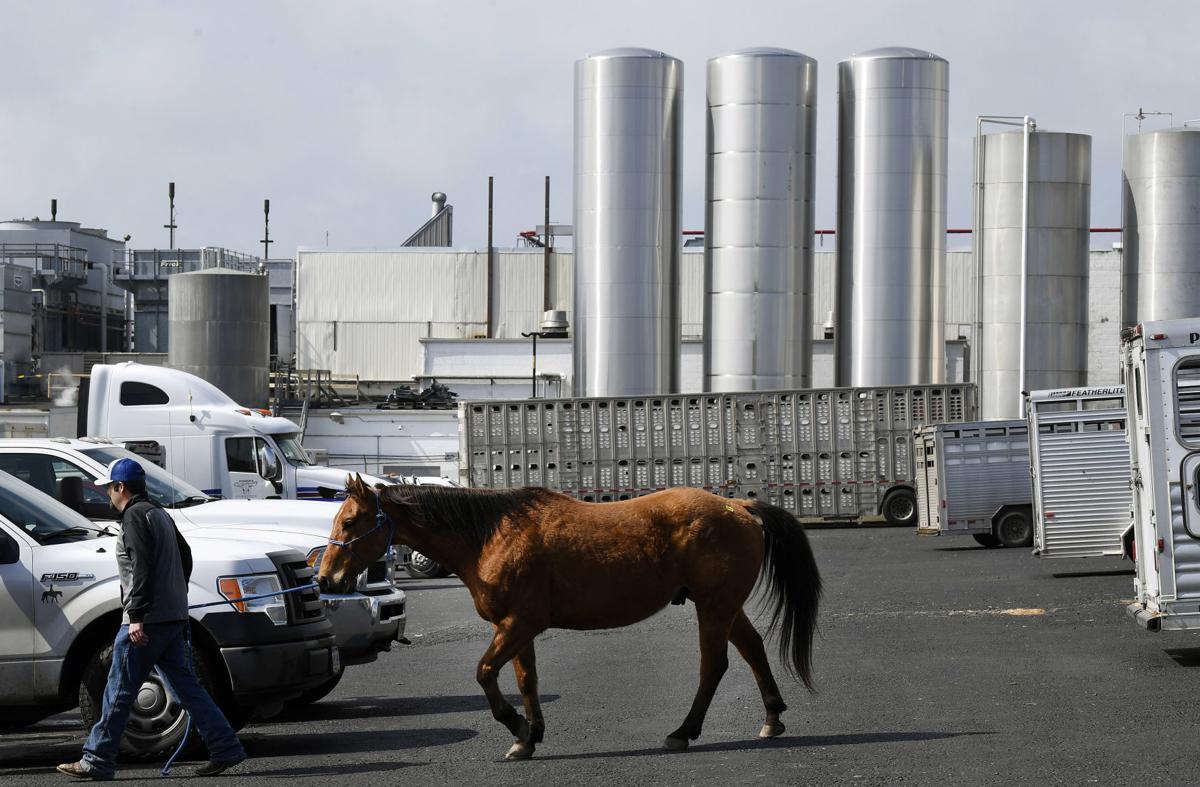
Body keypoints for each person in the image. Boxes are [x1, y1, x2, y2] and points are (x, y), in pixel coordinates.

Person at [57, 458, 247, 780]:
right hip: (173, 617)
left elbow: (141, 567)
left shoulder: (132, 517)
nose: (107, 496)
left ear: (121, 487)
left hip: (146, 621)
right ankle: (225, 747)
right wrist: (175, 595)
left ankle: (96, 760)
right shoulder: (159, 513)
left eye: (109, 489)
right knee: (188, 689)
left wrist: (137, 616)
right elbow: (184, 556)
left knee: (118, 691)